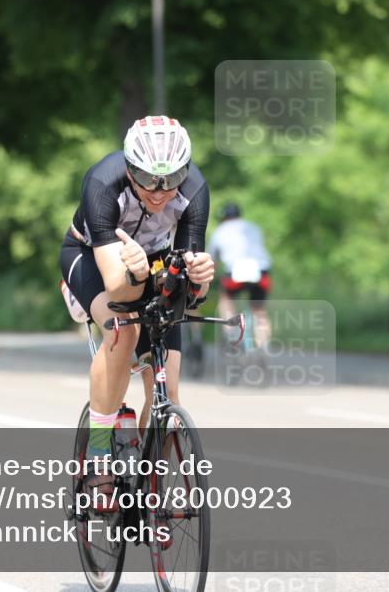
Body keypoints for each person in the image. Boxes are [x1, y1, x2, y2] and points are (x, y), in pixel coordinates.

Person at [58, 115, 214, 505]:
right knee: (123, 330)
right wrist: (138, 273)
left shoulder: (195, 190)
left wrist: (201, 277)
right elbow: (117, 285)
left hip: (154, 263)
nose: (160, 193)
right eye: (148, 179)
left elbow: (191, 292)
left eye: (172, 178)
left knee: (169, 389)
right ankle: (98, 454)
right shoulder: (102, 182)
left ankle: (151, 485)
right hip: (95, 259)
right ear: (130, 168)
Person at [209, 202, 272, 348]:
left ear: (224, 217)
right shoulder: (253, 227)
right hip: (261, 269)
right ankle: (264, 347)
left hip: (235, 270)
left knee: (226, 301)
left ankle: (232, 334)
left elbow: (212, 261)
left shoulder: (220, 230)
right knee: (259, 311)